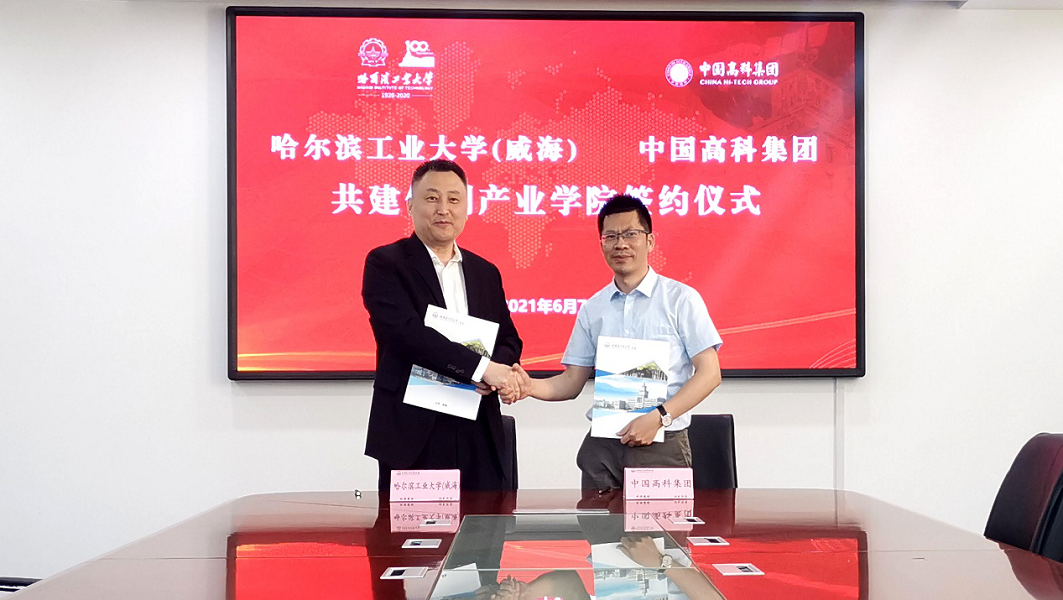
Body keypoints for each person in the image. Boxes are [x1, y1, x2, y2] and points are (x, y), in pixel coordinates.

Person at [505, 194, 722, 491]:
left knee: (661, 524)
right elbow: (571, 381)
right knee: (597, 522)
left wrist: (660, 417)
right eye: (611, 236)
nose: (621, 244)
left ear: (650, 241)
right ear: (602, 244)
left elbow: (710, 373)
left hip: (662, 441)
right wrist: (528, 386)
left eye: (631, 234)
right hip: (603, 447)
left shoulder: (681, 299)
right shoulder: (593, 308)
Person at [361, 159, 524, 491]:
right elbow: (407, 335)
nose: (443, 209)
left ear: (466, 208)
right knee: (413, 525)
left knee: (485, 522)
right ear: (410, 205)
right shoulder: (386, 263)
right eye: (432, 198)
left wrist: (497, 372)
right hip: (413, 430)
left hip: (478, 425)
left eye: (454, 199)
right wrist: (482, 369)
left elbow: (508, 339)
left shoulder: (484, 272)